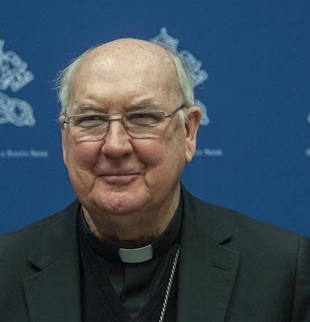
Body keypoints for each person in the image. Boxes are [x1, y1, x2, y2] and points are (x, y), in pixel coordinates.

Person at [0, 38, 309, 322]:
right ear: (65, 140)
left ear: (189, 132)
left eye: (143, 117)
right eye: (91, 120)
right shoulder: (5, 270)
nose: (115, 145)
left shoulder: (281, 270)